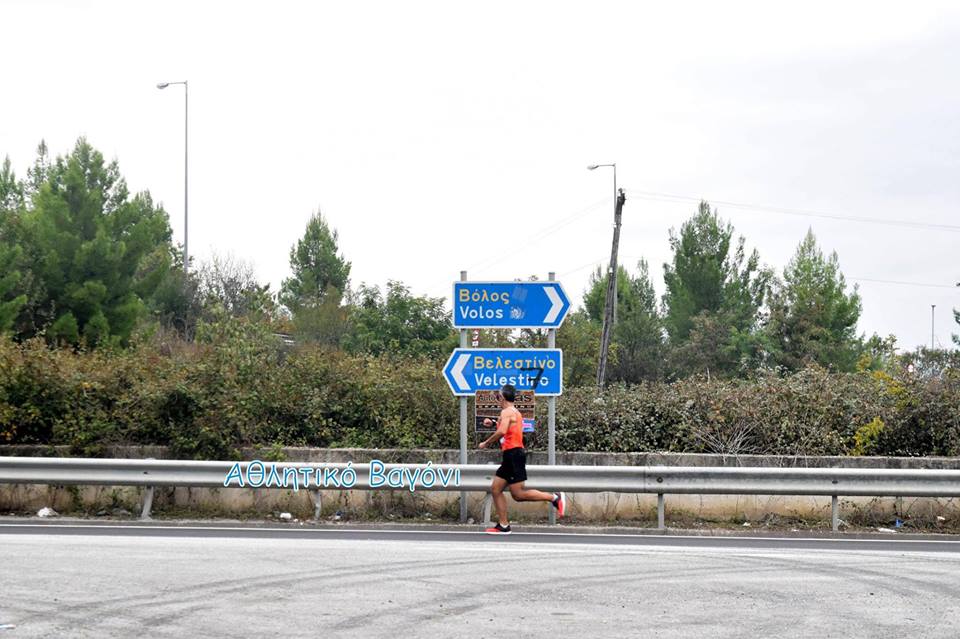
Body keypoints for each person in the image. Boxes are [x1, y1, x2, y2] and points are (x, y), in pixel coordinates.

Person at [478, 384, 565, 534]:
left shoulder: (506, 412)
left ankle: (554, 498)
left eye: (498, 396)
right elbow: (509, 428)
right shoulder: (513, 412)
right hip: (510, 455)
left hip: (513, 455)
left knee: (518, 494)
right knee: (496, 489)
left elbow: (502, 431)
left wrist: (486, 443)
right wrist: (493, 423)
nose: (497, 399)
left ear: (503, 397)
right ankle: (503, 525)